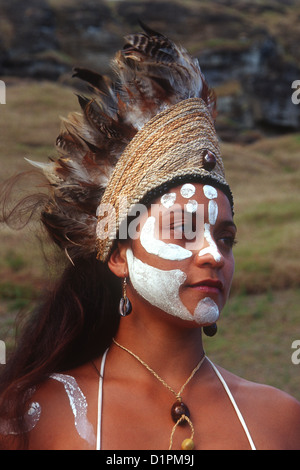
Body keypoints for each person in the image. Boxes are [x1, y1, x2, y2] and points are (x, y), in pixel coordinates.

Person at [0, 24, 299, 451]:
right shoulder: (33, 418)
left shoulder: (282, 420)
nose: (213, 254)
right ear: (119, 254)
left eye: (226, 237)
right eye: (184, 230)